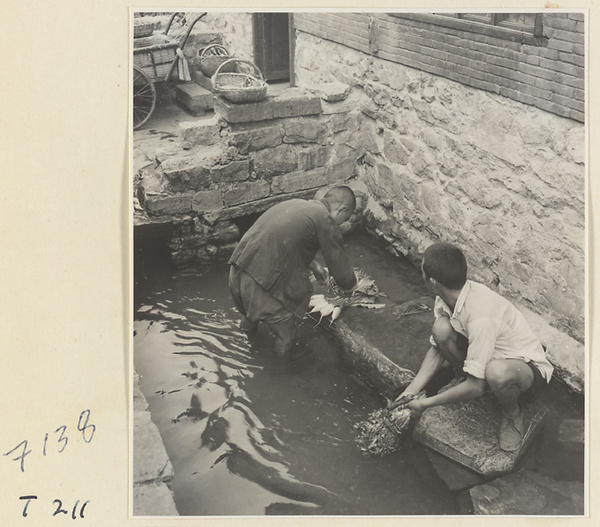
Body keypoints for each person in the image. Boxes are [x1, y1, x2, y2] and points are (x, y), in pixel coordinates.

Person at [395, 242, 553, 452]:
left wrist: (425, 404)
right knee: (441, 329)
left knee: (496, 373)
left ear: (432, 282)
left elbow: (476, 387)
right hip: (487, 353)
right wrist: (410, 393)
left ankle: (513, 413)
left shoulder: (481, 317)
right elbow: (437, 349)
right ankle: (465, 374)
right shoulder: (445, 297)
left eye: (422, 267)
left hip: (524, 370)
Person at [228, 185, 358, 357]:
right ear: (342, 210)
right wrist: (351, 287)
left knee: (250, 315)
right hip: (259, 281)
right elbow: (338, 264)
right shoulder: (324, 218)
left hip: (237, 270)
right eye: (345, 219)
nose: (341, 223)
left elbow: (284, 240)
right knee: (286, 335)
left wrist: (314, 266)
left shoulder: (295, 203)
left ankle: (246, 351)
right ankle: (280, 378)